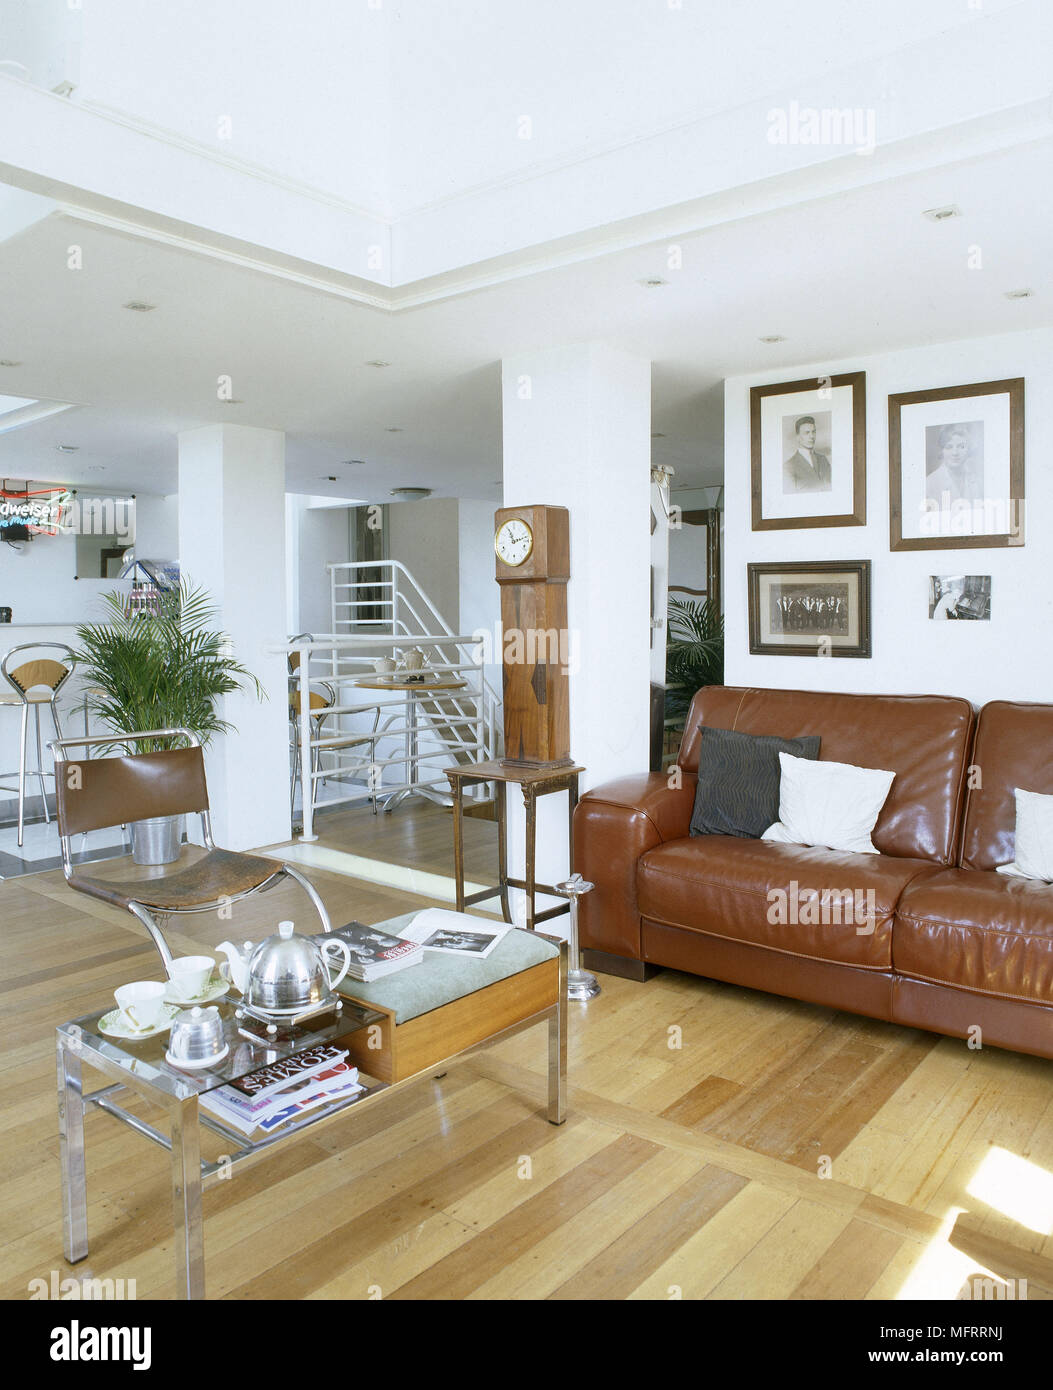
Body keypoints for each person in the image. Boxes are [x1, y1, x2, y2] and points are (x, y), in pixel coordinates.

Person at [925, 424, 983, 505]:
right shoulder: (930, 483)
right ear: (942, 451)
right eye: (949, 447)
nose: (955, 453)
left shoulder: (977, 481)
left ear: (968, 449)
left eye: (961, 447)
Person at [783, 416, 832, 493]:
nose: (812, 436)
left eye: (813, 432)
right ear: (798, 437)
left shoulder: (823, 459)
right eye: (807, 433)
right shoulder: (789, 467)